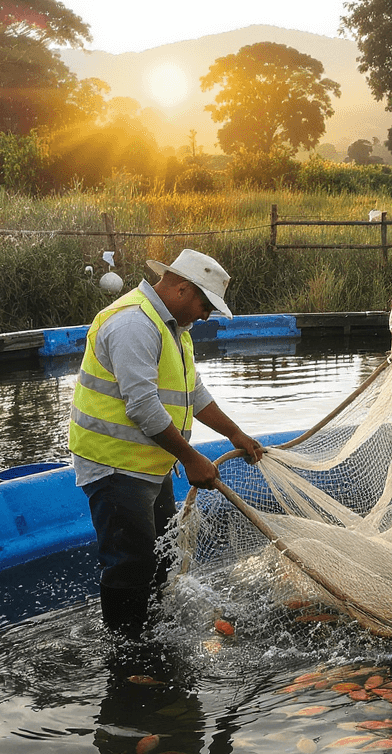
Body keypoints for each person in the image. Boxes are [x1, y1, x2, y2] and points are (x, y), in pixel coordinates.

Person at [69, 248, 263, 638]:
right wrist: (191, 458)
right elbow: (142, 405)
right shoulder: (134, 324)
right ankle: (126, 650)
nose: (207, 315)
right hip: (115, 463)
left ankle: (151, 630)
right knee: (129, 561)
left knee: (160, 556)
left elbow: (194, 391)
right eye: (206, 304)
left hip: (149, 463)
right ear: (181, 289)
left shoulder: (173, 327)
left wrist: (234, 433)